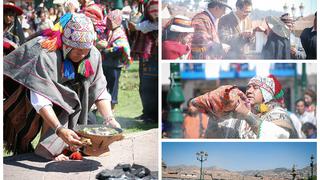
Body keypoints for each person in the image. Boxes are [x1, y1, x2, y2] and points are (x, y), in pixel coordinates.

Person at [4, 13, 120, 161]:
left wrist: (109, 119)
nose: (83, 55)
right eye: (78, 51)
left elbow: (99, 89)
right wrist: (59, 130)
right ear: (66, 46)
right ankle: (47, 149)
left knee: (78, 119)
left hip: (70, 93)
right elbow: (41, 99)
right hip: (37, 90)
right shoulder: (47, 55)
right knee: (51, 110)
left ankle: (66, 147)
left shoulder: (93, 54)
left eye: (86, 50)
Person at [191, 75, 298, 139]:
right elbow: (215, 136)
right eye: (248, 87)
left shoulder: (278, 114)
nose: (249, 91)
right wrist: (217, 110)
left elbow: (279, 136)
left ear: (266, 93)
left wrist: (247, 115)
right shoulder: (237, 113)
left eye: (255, 88)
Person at [96, 9, 132, 110]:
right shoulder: (107, 31)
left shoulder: (119, 33)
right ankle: (103, 110)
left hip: (115, 66)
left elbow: (122, 48)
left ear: (115, 22)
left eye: (109, 21)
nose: (106, 22)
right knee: (103, 87)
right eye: (107, 20)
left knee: (113, 88)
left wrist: (106, 47)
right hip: (105, 64)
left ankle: (111, 111)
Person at [130, 0, 158, 123]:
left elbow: (157, 23)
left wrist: (136, 26)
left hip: (152, 52)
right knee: (145, 84)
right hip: (147, 52)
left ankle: (152, 115)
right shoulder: (146, 4)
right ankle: (147, 113)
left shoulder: (154, 3)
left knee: (149, 84)